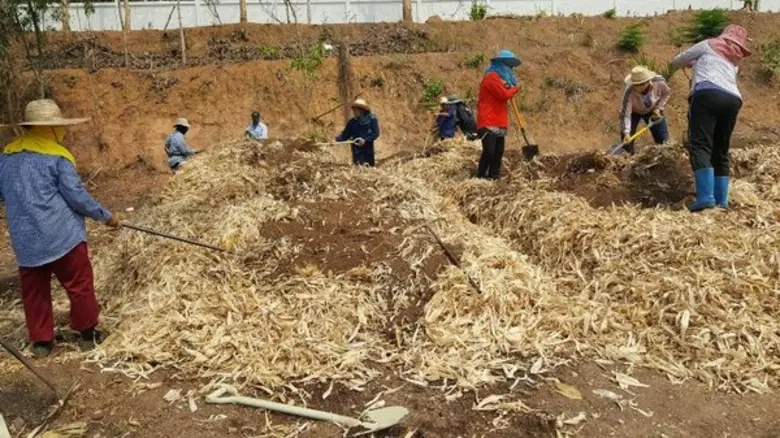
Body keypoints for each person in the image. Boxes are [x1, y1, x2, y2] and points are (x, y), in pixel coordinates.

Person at [0, 99, 120, 358]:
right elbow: (76, 196)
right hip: (62, 235)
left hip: (25, 239)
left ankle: (42, 342)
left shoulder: (6, 157)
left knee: (34, 291)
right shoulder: (57, 158)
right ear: (52, 129)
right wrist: (106, 216)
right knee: (79, 283)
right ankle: (87, 334)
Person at [671, 25, 751, 212]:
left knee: (700, 144)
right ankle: (721, 200)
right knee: (720, 149)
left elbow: (677, 61)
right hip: (733, 100)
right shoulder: (734, 61)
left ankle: (706, 197)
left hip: (707, 94)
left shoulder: (708, 44)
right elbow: (718, 67)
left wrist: (691, 63)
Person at [476, 49, 521, 179]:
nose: (510, 69)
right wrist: (515, 89)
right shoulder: (491, 78)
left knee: (498, 153)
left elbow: (505, 93)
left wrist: (510, 88)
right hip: (488, 120)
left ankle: (493, 176)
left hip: (499, 121)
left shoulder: (501, 80)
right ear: (501, 65)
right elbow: (503, 95)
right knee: (489, 152)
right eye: (508, 66)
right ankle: (480, 176)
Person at [619, 66, 672, 154]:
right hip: (634, 112)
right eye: (634, 84)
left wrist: (659, 108)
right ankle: (629, 159)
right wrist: (627, 133)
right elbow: (626, 114)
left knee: (663, 140)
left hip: (653, 109)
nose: (635, 87)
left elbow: (667, 93)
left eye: (638, 84)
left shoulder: (659, 82)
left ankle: (663, 158)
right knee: (627, 143)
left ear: (646, 82)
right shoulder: (629, 92)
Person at [335, 99, 380, 167]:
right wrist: (337, 140)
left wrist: (365, 140)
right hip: (356, 151)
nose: (354, 112)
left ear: (362, 110)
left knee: (368, 167)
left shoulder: (372, 120)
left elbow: (375, 133)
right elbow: (345, 135)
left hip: (368, 150)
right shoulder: (352, 122)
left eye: (356, 110)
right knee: (358, 166)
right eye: (354, 110)